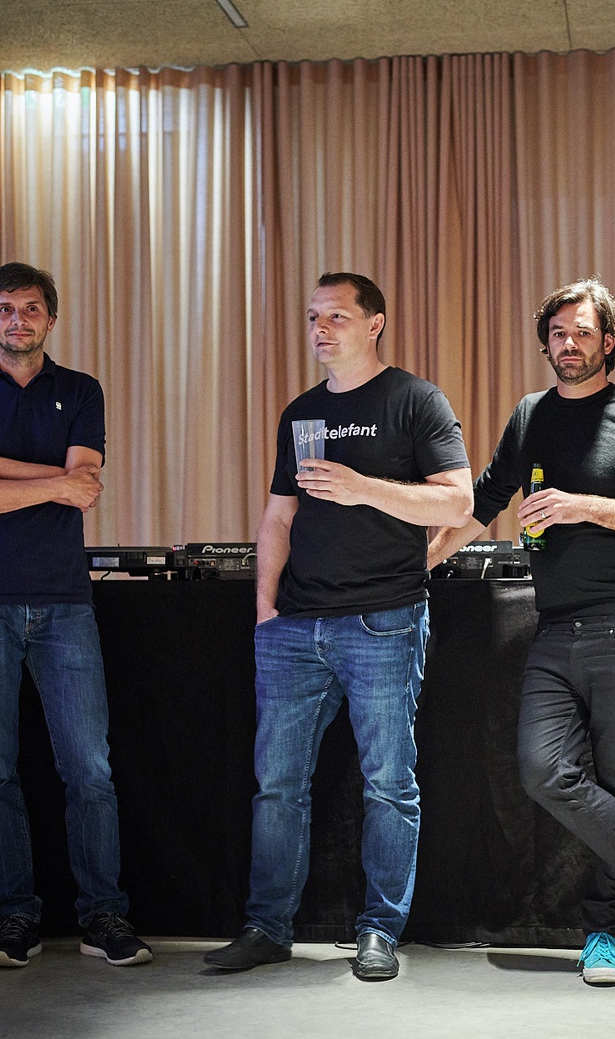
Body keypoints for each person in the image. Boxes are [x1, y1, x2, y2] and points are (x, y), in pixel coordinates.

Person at [428, 279, 615, 986]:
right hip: (556, 626)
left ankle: (606, 934)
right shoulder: (530, 416)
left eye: (583, 332)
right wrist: (418, 561)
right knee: (542, 769)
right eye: (557, 333)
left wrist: (585, 506)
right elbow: (485, 501)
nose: (569, 344)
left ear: (609, 342)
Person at [204, 272, 472, 981]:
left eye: (337, 317)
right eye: (313, 317)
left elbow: (458, 503)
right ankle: (268, 927)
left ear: (375, 323)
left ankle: (380, 930)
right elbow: (279, 515)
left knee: (388, 783)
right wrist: (265, 610)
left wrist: (362, 488)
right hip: (295, 626)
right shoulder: (302, 412)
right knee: (277, 784)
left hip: (384, 620)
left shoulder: (415, 401)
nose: (320, 329)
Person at [0, 262, 150, 970]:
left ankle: (103, 915)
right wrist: (39, 479)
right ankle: (16, 915)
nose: (18, 320)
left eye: (31, 308)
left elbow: (85, 488)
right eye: (5, 308)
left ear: (50, 319)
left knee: (89, 767)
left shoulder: (80, 390)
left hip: (63, 602)